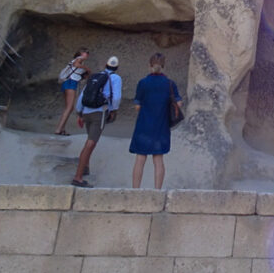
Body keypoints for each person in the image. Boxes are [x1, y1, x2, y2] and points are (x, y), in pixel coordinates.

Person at [129, 52, 182, 189]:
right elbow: (179, 103)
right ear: (163, 66)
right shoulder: (170, 84)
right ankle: (157, 191)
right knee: (158, 160)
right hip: (161, 125)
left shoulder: (143, 83)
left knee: (140, 159)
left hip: (143, 125)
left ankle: (135, 190)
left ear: (149, 66)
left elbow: (137, 105)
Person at [71, 56, 121, 188]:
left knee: (89, 139)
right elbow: (116, 97)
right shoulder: (115, 78)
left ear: (105, 64)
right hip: (99, 113)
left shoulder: (95, 76)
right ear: (117, 68)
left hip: (87, 111)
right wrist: (114, 110)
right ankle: (78, 177)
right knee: (91, 143)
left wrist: (79, 112)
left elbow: (83, 95)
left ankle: (85, 167)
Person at [54, 48, 90, 136]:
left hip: (68, 82)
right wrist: (86, 68)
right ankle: (59, 129)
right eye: (86, 52)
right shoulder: (79, 59)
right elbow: (76, 64)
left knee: (69, 107)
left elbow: (82, 75)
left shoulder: (80, 61)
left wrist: (87, 72)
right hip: (71, 82)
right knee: (69, 107)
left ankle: (62, 128)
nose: (87, 54)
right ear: (81, 53)